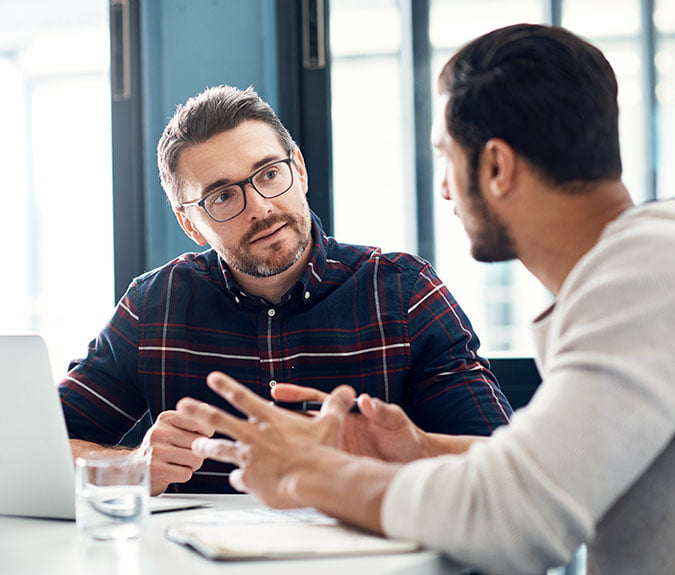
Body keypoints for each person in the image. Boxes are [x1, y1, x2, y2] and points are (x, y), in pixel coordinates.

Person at [175, 24, 675, 574]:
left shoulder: (647, 277)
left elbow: (514, 519)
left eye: (445, 157)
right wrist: (419, 448)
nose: (442, 188)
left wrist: (310, 473)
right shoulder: (639, 269)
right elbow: (556, 467)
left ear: (495, 168)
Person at [58, 85, 512, 496]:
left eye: (269, 173)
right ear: (189, 223)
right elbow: (35, 450)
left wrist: (403, 451)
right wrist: (130, 466)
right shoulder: (152, 307)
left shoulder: (405, 293)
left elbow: (502, 467)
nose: (260, 206)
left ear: (299, 169)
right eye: (222, 197)